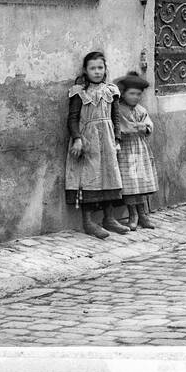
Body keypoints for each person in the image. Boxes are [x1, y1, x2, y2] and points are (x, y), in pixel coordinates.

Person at [65, 51, 127, 239]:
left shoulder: (111, 90)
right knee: (89, 177)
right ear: (86, 70)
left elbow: (116, 117)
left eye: (100, 67)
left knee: (109, 174)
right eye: (93, 68)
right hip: (88, 140)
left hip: (107, 140)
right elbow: (73, 118)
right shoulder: (79, 92)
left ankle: (109, 218)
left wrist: (117, 139)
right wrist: (77, 138)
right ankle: (88, 222)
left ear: (105, 69)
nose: (97, 71)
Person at [113, 71, 159, 229]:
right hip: (125, 149)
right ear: (123, 94)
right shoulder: (119, 110)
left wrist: (145, 127)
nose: (135, 97)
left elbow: (149, 126)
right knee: (130, 183)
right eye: (131, 93)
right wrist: (137, 127)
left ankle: (143, 214)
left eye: (138, 94)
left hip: (140, 149)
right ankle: (132, 214)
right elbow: (123, 127)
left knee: (140, 181)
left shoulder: (141, 110)